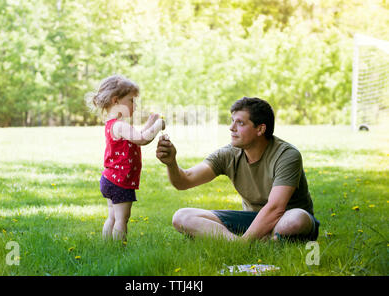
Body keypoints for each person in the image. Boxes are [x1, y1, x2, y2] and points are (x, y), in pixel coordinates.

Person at [156, 97, 319, 242]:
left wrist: (245, 241)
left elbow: (276, 208)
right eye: (232, 121)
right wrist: (171, 163)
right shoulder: (228, 154)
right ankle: (248, 241)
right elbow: (185, 181)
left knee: (296, 220)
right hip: (250, 219)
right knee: (182, 216)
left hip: (285, 217)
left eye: (240, 123)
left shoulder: (287, 155)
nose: (231, 127)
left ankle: (249, 240)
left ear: (260, 129)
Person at [87, 75, 165, 241]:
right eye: (131, 100)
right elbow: (142, 139)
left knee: (112, 217)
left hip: (109, 179)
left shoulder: (112, 124)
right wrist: (158, 126)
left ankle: (106, 246)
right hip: (120, 182)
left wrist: (149, 124)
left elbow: (138, 135)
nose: (134, 105)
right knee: (122, 219)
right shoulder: (120, 125)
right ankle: (118, 250)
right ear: (116, 101)